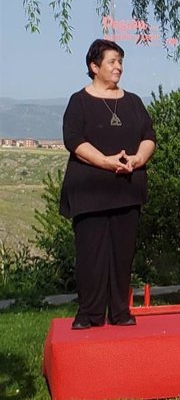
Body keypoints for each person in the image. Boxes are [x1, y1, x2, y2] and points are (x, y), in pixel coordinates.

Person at [59, 39, 156, 330]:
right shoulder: (79, 101)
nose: (118, 67)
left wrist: (138, 158)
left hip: (127, 189)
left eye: (120, 62)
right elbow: (73, 141)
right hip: (90, 191)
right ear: (94, 66)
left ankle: (119, 311)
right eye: (112, 62)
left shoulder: (134, 101)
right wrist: (105, 161)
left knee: (122, 254)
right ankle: (89, 313)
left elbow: (149, 136)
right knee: (90, 254)